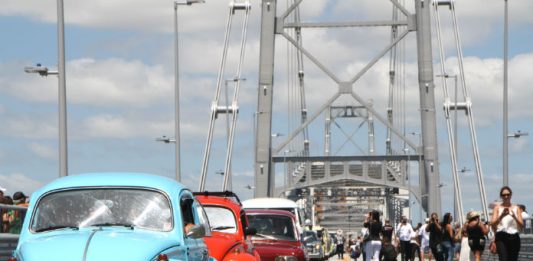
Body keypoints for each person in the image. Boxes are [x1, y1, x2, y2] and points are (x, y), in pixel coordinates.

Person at [490, 186, 523, 261]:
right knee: (503, 258)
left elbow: (521, 225)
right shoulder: (497, 208)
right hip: (501, 236)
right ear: (501, 196)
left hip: (514, 237)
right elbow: (492, 224)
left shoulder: (516, 208)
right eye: (504, 195)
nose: (506, 196)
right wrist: (501, 216)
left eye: (508, 194)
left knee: (513, 259)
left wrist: (514, 216)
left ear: (511, 195)